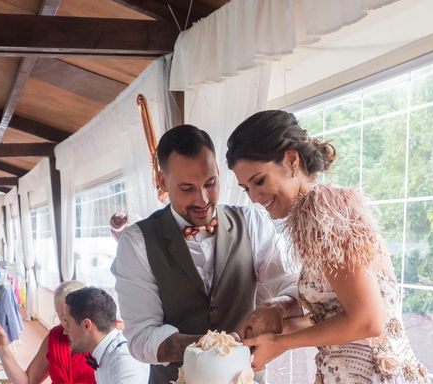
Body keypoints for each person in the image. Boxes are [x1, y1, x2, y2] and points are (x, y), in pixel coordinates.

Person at [226, 110, 430, 384]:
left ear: (291, 160)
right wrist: (275, 330)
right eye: (246, 188)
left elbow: (368, 321)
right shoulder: (313, 217)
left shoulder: (324, 211)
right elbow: (335, 317)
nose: (255, 198)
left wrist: (281, 342)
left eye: (259, 181)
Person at [111, 124, 301, 383]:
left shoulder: (253, 221)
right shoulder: (137, 242)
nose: (202, 200)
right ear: (161, 181)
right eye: (187, 188)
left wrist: (277, 307)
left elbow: (290, 285)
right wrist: (216, 349)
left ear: (219, 172)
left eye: (210, 183)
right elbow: (142, 336)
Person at [0, 280, 95, 384]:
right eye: (63, 318)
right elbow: (28, 381)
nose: (66, 325)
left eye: (71, 318)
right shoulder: (55, 337)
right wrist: (2, 348)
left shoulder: (101, 342)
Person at [63, 287, 149, 384]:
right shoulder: (105, 353)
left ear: (86, 325)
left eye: (68, 324)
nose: (65, 331)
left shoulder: (124, 362)